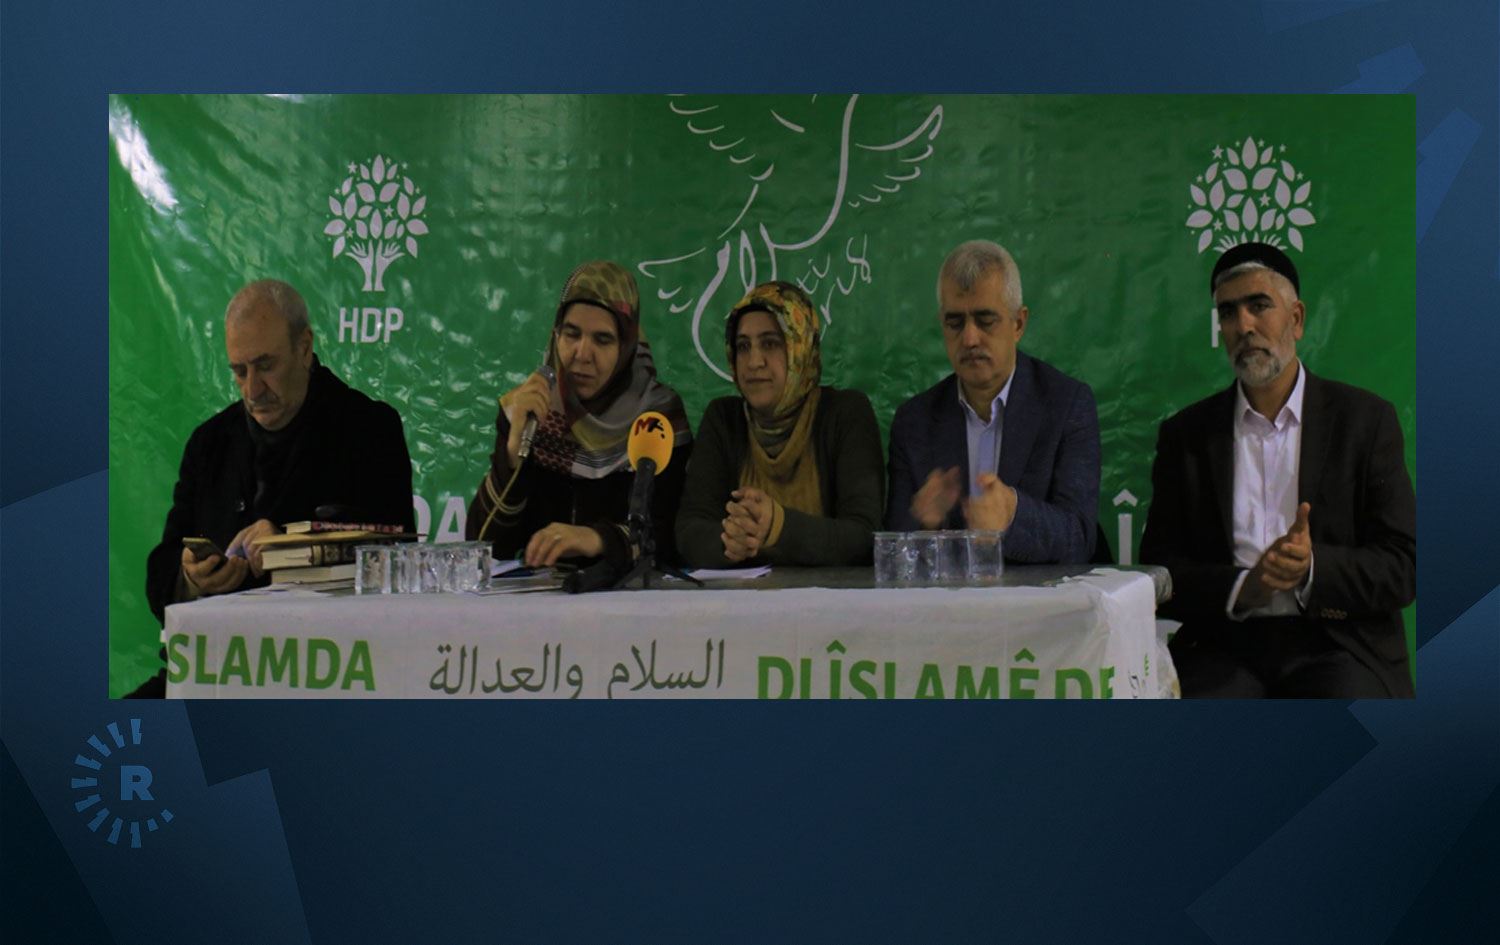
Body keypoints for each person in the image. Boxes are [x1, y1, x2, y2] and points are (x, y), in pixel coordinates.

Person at [1139, 242, 1416, 698]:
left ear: (1297, 319)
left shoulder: (1364, 422)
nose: (1243, 325)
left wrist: (1311, 568)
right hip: (1224, 644)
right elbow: (1160, 570)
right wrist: (1242, 587)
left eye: (1259, 306)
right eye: (1228, 313)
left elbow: (1403, 565)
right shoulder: (1187, 435)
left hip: (1338, 642)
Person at [131, 279, 416, 696]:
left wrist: (288, 548)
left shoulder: (369, 430)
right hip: (210, 672)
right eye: (239, 371)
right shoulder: (209, 443)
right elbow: (163, 569)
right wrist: (191, 577)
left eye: (265, 366)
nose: (252, 389)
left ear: (304, 348)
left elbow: (395, 561)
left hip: (322, 677)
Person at [466, 260, 692, 572]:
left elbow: (670, 538)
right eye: (571, 334)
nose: (582, 354)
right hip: (546, 597)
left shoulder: (657, 419)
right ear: (555, 336)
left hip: (629, 598)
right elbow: (484, 547)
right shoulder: (532, 412)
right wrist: (514, 455)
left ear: (626, 345)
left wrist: (598, 539)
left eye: (602, 339)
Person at [885, 240, 1100, 563]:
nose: (970, 338)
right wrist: (924, 525)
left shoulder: (1066, 405)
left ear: (1018, 324)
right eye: (955, 322)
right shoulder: (914, 421)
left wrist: (1013, 514)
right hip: (951, 597)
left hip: (1037, 596)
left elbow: (1080, 538)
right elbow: (895, 552)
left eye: (985, 320)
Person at [676, 281, 884, 567]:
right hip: (743, 596)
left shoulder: (845, 414)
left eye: (770, 343)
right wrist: (731, 540)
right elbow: (689, 531)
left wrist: (778, 526)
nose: (754, 362)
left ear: (801, 348)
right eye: (743, 346)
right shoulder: (724, 419)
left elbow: (864, 536)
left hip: (833, 596)